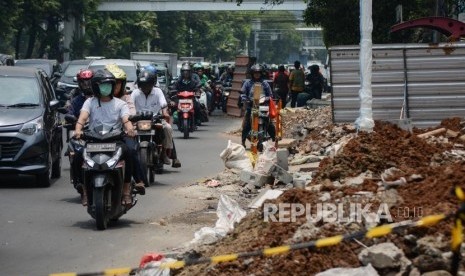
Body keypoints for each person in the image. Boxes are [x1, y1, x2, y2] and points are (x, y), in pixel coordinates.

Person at [74, 69, 136, 207]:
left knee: (129, 152)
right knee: (78, 156)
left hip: (115, 140)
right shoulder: (90, 102)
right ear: (96, 86)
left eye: (109, 84)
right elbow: (82, 118)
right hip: (93, 140)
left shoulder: (121, 104)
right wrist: (78, 130)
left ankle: (126, 190)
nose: (106, 87)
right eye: (103, 85)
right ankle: (83, 190)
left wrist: (130, 128)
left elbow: (126, 119)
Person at [105, 64, 147, 192]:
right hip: (100, 135)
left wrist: (129, 128)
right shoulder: (96, 99)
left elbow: (129, 116)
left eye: (118, 83)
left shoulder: (126, 99)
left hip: (120, 134)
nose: (115, 86)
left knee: (130, 150)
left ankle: (136, 181)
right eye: (112, 83)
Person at [131, 66, 181, 168]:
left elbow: (163, 105)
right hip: (138, 120)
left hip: (155, 119)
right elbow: (130, 106)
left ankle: (165, 153)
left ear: (152, 84)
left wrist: (165, 113)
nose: (145, 87)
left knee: (167, 128)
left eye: (147, 85)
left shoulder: (158, 91)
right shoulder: (135, 93)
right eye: (143, 85)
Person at [66, 69, 94, 194]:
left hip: (101, 134)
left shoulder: (102, 98)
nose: (87, 85)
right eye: (84, 82)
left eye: (89, 82)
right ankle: (79, 182)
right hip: (82, 134)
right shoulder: (76, 100)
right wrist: (72, 121)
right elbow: (69, 112)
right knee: (77, 153)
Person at [240, 64, 276, 148]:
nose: (257, 74)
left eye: (258, 73)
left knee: (270, 123)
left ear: (261, 73)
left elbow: (270, 95)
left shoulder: (265, 83)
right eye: (255, 73)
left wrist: (266, 99)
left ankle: (274, 137)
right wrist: (246, 99)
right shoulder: (247, 83)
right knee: (246, 124)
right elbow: (243, 93)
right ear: (252, 74)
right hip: (251, 106)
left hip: (263, 106)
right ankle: (243, 141)